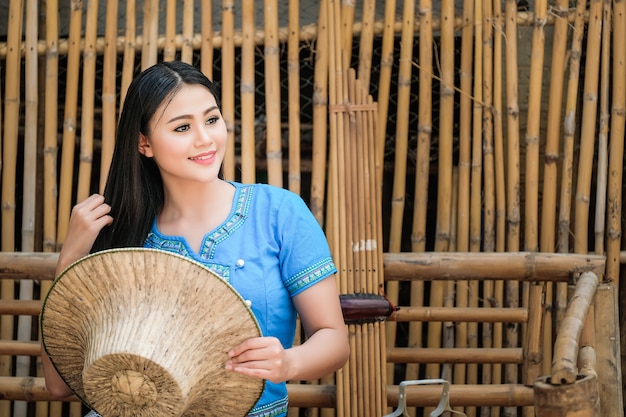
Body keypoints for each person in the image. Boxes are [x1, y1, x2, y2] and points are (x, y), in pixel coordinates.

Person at [41, 60, 350, 417]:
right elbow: (60, 385)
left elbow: (334, 340)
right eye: (182, 127)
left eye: (212, 119)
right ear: (144, 143)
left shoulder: (278, 212)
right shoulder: (122, 235)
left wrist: (289, 362)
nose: (205, 138)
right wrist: (69, 263)